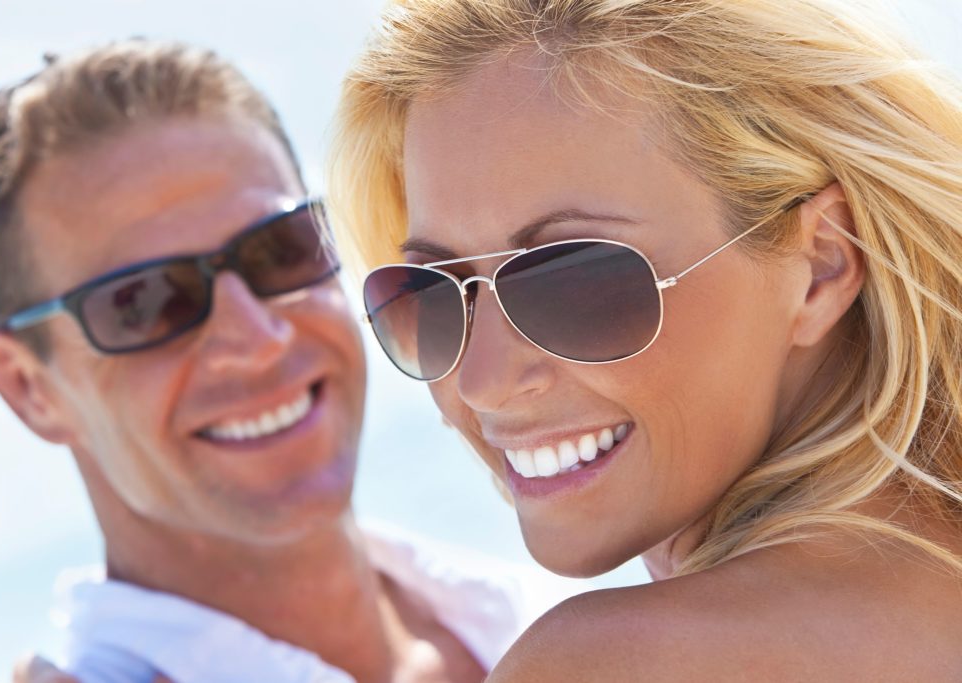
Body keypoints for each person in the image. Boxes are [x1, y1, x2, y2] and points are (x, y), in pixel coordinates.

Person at [328, 0, 962, 679]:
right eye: (432, 294)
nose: (482, 380)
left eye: (572, 280)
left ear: (823, 264)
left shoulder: (612, 662)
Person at [0, 39, 573, 683]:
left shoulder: (551, 617)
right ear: (27, 385)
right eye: (145, 301)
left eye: (280, 249)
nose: (257, 338)